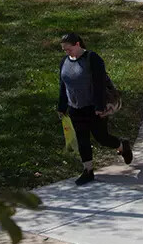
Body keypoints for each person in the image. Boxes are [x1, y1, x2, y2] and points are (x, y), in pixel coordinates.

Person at [57, 33, 133, 186]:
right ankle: (88, 170)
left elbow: (99, 84)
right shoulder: (64, 61)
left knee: (101, 137)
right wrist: (62, 106)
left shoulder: (92, 59)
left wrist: (99, 106)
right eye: (64, 50)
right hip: (75, 108)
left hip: (93, 107)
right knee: (82, 139)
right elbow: (63, 85)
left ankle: (122, 145)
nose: (67, 52)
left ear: (78, 44)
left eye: (69, 49)